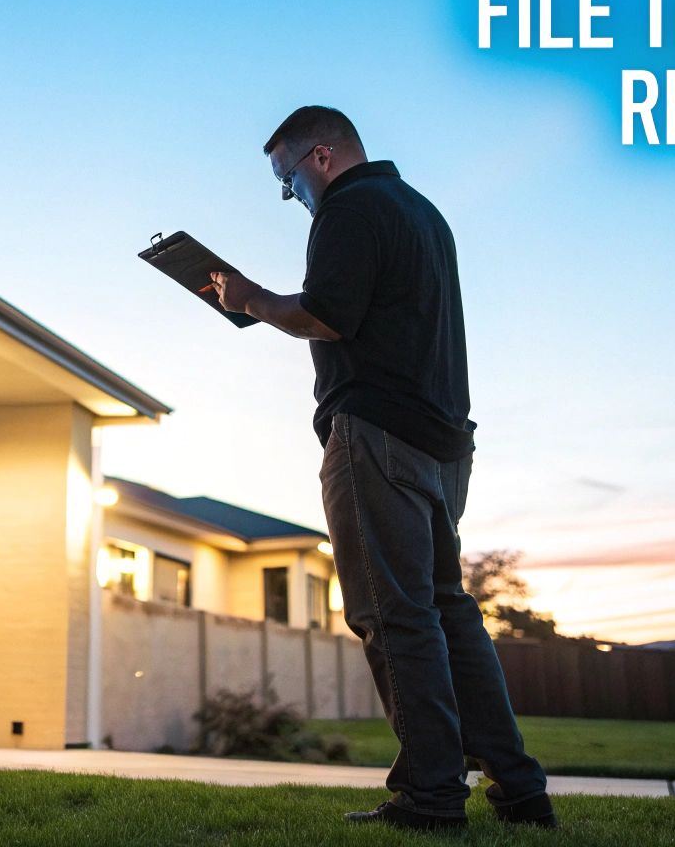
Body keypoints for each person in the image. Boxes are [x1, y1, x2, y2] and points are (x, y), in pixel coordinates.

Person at [209, 106, 556, 833]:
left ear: (323, 156)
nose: (289, 195)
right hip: (443, 442)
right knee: (446, 610)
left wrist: (251, 301)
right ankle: (521, 791)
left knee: (392, 615)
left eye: (287, 178)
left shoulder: (349, 208)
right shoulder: (421, 213)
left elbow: (328, 314)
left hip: (377, 434)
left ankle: (429, 797)